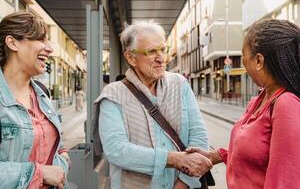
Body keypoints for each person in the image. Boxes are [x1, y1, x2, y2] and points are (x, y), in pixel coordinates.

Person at [94, 21, 212, 189]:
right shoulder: (112, 95)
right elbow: (117, 150)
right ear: (130, 57)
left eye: (163, 50)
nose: (161, 58)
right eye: (151, 52)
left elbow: (199, 136)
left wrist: (184, 183)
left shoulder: (180, 84)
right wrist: (175, 159)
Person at [186, 19, 300, 189]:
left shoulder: (286, 104)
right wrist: (215, 156)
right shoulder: (260, 99)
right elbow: (256, 152)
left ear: (259, 60)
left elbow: (284, 182)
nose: (244, 63)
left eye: (243, 55)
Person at [0, 12, 70, 189]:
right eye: (41, 39)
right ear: (12, 42)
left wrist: (63, 157)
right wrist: (40, 173)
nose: (50, 48)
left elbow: (57, 144)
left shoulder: (42, 93)